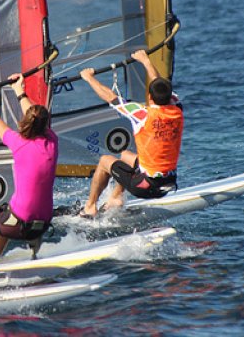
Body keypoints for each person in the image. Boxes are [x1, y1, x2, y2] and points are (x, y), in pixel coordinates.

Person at [0, 73, 58, 278]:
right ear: (45, 126)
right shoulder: (52, 141)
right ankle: (27, 249)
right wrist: (19, 91)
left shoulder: (18, 143)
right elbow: (35, 117)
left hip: (17, 226)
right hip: (43, 224)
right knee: (6, 213)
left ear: (26, 122)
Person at [78, 49, 184, 218]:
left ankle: (90, 207)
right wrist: (145, 61)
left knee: (105, 161)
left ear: (150, 97)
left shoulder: (143, 115)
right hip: (169, 181)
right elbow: (159, 85)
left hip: (146, 186)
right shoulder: (177, 108)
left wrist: (89, 77)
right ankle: (116, 198)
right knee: (125, 155)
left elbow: (111, 98)